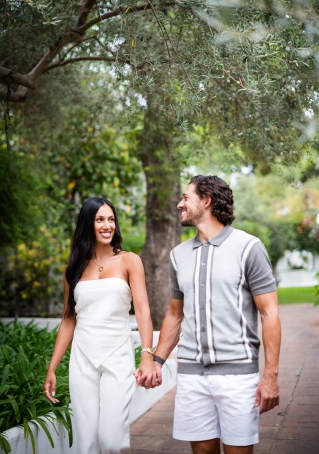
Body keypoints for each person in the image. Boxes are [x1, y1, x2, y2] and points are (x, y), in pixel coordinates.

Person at [145, 175, 281, 454]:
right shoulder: (177, 255)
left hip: (238, 376)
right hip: (193, 376)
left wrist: (270, 376)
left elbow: (270, 313)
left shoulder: (248, 248)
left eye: (185, 198)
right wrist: (157, 360)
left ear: (206, 201)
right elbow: (174, 314)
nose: (179, 204)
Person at [43, 197, 158, 454]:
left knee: (112, 440)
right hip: (82, 358)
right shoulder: (72, 269)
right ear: (88, 224)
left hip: (117, 355)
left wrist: (147, 355)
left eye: (111, 219)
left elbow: (143, 310)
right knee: (87, 443)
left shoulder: (130, 261)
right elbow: (68, 319)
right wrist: (52, 367)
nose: (107, 225)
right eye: (100, 219)